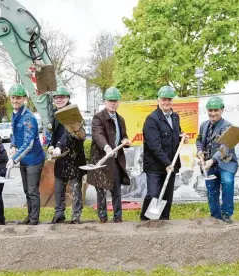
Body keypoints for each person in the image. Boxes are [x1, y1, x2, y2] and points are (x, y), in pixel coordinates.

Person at [140, 86, 188, 220]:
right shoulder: (152, 119)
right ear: (158, 100)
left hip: (171, 164)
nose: (166, 102)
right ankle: (145, 220)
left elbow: (175, 134)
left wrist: (182, 137)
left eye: (169, 99)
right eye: (163, 99)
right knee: (153, 194)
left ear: (172, 100)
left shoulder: (175, 117)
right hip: (155, 165)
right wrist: (166, 163)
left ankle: (164, 221)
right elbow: (154, 145)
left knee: (167, 195)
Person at [87, 87, 130, 223]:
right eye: (110, 101)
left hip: (115, 161)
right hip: (101, 160)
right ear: (105, 101)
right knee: (101, 191)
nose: (113, 103)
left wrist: (125, 141)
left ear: (118, 102)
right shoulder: (98, 117)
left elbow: (123, 136)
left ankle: (118, 218)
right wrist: (106, 147)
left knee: (116, 190)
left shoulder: (121, 119)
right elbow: (97, 134)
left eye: (115, 101)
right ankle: (103, 218)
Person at [47, 86, 87, 224]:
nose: (59, 100)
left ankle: (76, 216)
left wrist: (59, 146)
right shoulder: (55, 114)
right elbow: (54, 134)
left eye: (62, 97)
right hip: (61, 157)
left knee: (76, 188)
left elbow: (69, 133)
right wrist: (51, 145)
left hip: (74, 156)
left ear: (68, 98)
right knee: (59, 188)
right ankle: (59, 214)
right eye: (57, 98)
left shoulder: (72, 113)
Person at [7, 83, 45, 225]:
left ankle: (34, 219)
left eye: (18, 98)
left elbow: (29, 143)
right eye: (13, 98)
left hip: (34, 159)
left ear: (24, 99)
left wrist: (14, 159)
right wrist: (13, 145)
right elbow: (16, 133)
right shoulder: (15, 114)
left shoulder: (29, 118)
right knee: (26, 190)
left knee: (32, 191)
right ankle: (30, 216)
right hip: (24, 159)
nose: (15, 101)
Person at [196, 96, 238, 223]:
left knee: (227, 182)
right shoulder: (204, 125)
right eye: (210, 110)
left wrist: (212, 160)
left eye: (216, 110)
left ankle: (226, 214)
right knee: (211, 190)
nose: (212, 113)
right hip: (209, 165)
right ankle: (215, 217)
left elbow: (225, 147)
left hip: (226, 163)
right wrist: (199, 151)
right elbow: (199, 140)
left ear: (222, 110)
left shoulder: (228, 126)